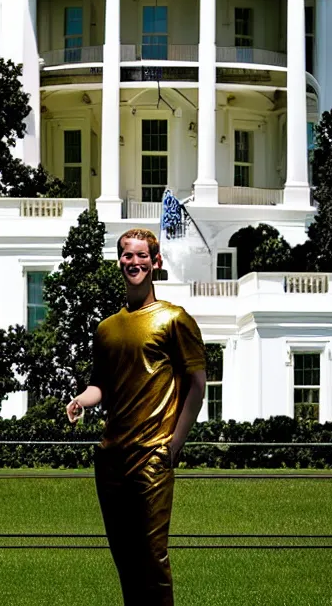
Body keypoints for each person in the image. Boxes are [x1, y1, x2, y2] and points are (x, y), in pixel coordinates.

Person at [66, 228, 206, 606]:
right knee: (125, 561)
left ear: (156, 262)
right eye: (128, 255)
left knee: (153, 559)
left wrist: (174, 445)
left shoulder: (174, 320)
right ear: (120, 261)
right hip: (111, 458)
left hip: (153, 457)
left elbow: (197, 384)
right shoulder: (106, 329)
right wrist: (81, 400)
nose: (135, 262)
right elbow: (102, 386)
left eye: (142, 255)